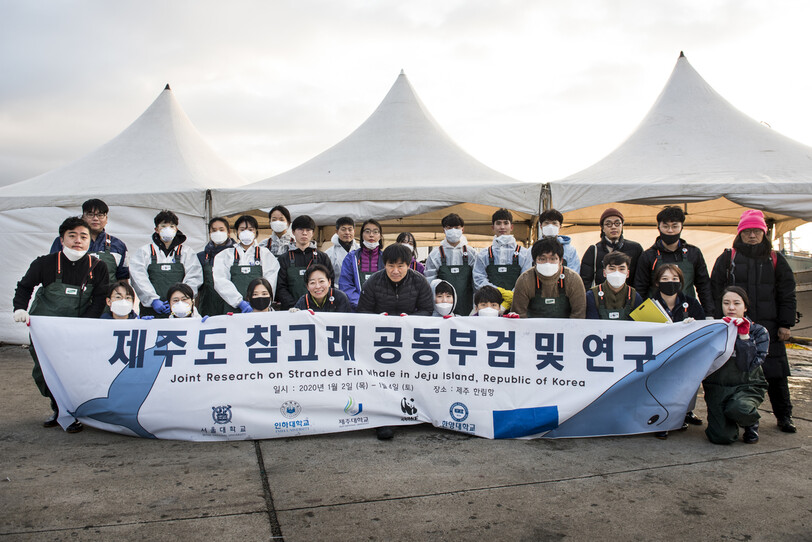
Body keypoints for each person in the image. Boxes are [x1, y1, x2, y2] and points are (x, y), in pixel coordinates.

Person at [13, 216, 110, 433]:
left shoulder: (98, 267)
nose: (78, 240)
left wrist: (85, 325)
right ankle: (58, 408)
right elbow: (25, 287)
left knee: (75, 370)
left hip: (78, 329)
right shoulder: (44, 263)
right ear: (62, 238)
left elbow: (101, 297)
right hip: (45, 329)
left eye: (83, 236)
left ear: (89, 241)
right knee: (45, 370)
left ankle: (73, 411)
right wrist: (19, 308)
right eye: (72, 235)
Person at [710, 209, 798, 433]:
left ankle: (784, 415)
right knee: (739, 372)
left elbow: (787, 293)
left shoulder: (776, 259)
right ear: (740, 233)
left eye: (756, 231)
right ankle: (748, 416)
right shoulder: (727, 258)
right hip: (733, 328)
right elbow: (713, 291)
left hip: (769, 326)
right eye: (747, 231)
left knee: (776, 374)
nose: (751, 235)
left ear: (764, 233)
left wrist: (785, 324)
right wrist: (716, 320)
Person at [356, 244, 434, 440]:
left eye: (401, 266)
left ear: (409, 265)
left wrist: (409, 319)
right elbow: (362, 311)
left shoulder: (419, 281)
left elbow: (427, 309)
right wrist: (378, 319)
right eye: (391, 266)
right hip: (380, 341)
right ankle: (383, 421)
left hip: (410, 340)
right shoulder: (374, 282)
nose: (396, 271)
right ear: (384, 265)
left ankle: (415, 414)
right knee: (382, 380)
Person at [703, 286, 769, 445]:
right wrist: (689, 327)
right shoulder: (714, 329)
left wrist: (744, 336)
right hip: (717, 387)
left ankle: (750, 422)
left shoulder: (759, 332)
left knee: (739, 409)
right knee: (721, 437)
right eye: (726, 303)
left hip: (747, 386)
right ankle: (729, 421)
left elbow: (748, 365)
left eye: (736, 303)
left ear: (745, 307)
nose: (731, 307)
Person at [649, 264, 706, 438]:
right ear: (657, 283)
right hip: (659, 357)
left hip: (685, 355)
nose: (670, 283)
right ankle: (662, 419)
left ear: (681, 282)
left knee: (686, 385)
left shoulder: (692, 303)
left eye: (674, 279)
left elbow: (703, 328)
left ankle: (685, 412)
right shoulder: (649, 305)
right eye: (665, 279)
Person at [634, 206, 714, 314]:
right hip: (655, 313)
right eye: (665, 226)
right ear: (658, 227)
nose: (670, 231)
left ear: (682, 227)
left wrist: (709, 313)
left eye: (675, 226)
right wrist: (641, 315)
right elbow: (640, 288)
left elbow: (703, 286)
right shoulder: (648, 255)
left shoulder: (693, 253)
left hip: (688, 312)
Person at [129, 210, 203, 318]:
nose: (168, 229)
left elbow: (195, 277)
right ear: (156, 229)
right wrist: (153, 300)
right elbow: (138, 277)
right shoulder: (144, 252)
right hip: (151, 310)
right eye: (163, 226)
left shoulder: (186, 252)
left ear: (176, 229)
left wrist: (179, 300)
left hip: (180, 310)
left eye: (172, 226)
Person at [49, 198, 129, 284]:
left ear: (106, 219)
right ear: (83, 217)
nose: (95, 219)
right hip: (72, 295)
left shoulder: (118, 245)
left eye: (100, 215)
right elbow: (52, 270)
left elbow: (123, 279)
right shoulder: (66, 240)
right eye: (90, 214)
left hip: (106, 296)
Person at [213, 215, 279, 314]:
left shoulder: (265, 254)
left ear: (256, 232)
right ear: (236, 232)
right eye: (242, 229)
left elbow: (270, 281)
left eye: (250, 229)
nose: (246, 233)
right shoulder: (225, 255)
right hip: (232, 308)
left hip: (259, 308)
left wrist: (262, 303)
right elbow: (220, 281)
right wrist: (239, 302)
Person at [472, 208, 532, 312]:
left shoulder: (524, 253)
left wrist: (512, 296)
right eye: (498, 223)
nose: (502, 227)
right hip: (490, 306)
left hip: (517, 304)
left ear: (511, 226)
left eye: (506, 223)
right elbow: (478, 279)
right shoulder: (483, 254)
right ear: (493, 227)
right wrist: (498, 293)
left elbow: (526, 278)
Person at [511, 237, 586, 319]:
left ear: (561, 261)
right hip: (532, 329)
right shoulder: (525, 280)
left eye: (553, 259)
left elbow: (579, 315)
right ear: (534, 261)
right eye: (542, 259)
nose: (547, 263)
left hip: (566, 329)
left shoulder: (573, 279)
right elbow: (519, 315)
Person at [425, 213, 477, 316]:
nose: (453, 230)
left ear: (462, 229)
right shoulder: (435, 254)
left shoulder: (472, 253)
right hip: (442, 308)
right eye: (449, 228)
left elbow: (477, 281)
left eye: (456, 227)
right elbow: (430, 282)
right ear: (443, 230)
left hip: (467, 307)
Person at [276, 215, 333, 310]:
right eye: (300, 230)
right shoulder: (284, 259)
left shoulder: (322, 257)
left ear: (313, 233)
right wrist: (296, 306)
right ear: (293, 232)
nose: (304, 233)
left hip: (319, 311)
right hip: (291, 311)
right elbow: (280, 287)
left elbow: (329, 282)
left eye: (308, 230)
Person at [579, 208, 644, 289]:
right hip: (600, 297)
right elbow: (585, 281)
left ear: (622, 226)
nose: (613, 227)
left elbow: (640, 279)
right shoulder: (593, 251)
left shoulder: (635, 248)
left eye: (617, 223)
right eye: (608, 224)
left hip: (628, 298)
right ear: (602, 228)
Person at [339, 219, 385, 310]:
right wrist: (360, 303)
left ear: (380, 236)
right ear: (362, 235)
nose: (371, 235)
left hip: (382, 310)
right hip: (357, 310)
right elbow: (346, 285)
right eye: (367, 231)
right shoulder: (351, 258)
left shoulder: (387, 259)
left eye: (375, 232)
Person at [196, 217, 236, 317]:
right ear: (209, 233)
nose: (218, 233)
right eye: (214, 230)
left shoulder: (236, 254)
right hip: (208, 307)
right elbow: (198, 288)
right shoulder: (201, 256)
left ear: (228, 232)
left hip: (231, 305)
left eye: (221, 230)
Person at [585, 252, 642, 320]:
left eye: (621, 269)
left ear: (628, 273)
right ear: (604, 273)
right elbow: (592, 324)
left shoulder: (634, 296)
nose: (617, 273)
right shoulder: (592, 295)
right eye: (612, 269)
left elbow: (637, 326)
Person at [538, 209, 580, 273]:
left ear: (560, 226)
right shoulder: (533, 249)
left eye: (554, 223)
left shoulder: (570, 250)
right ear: (541, 226)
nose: (550, 226)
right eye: (547, 223)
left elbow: (574, 274)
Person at [325, 217, 359, 281]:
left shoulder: (360, 250)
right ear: (337, 232)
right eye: (343, 229)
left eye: (350, 229)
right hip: (337, 289)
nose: (347, 233)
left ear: (354, 231)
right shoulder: (328, 253)